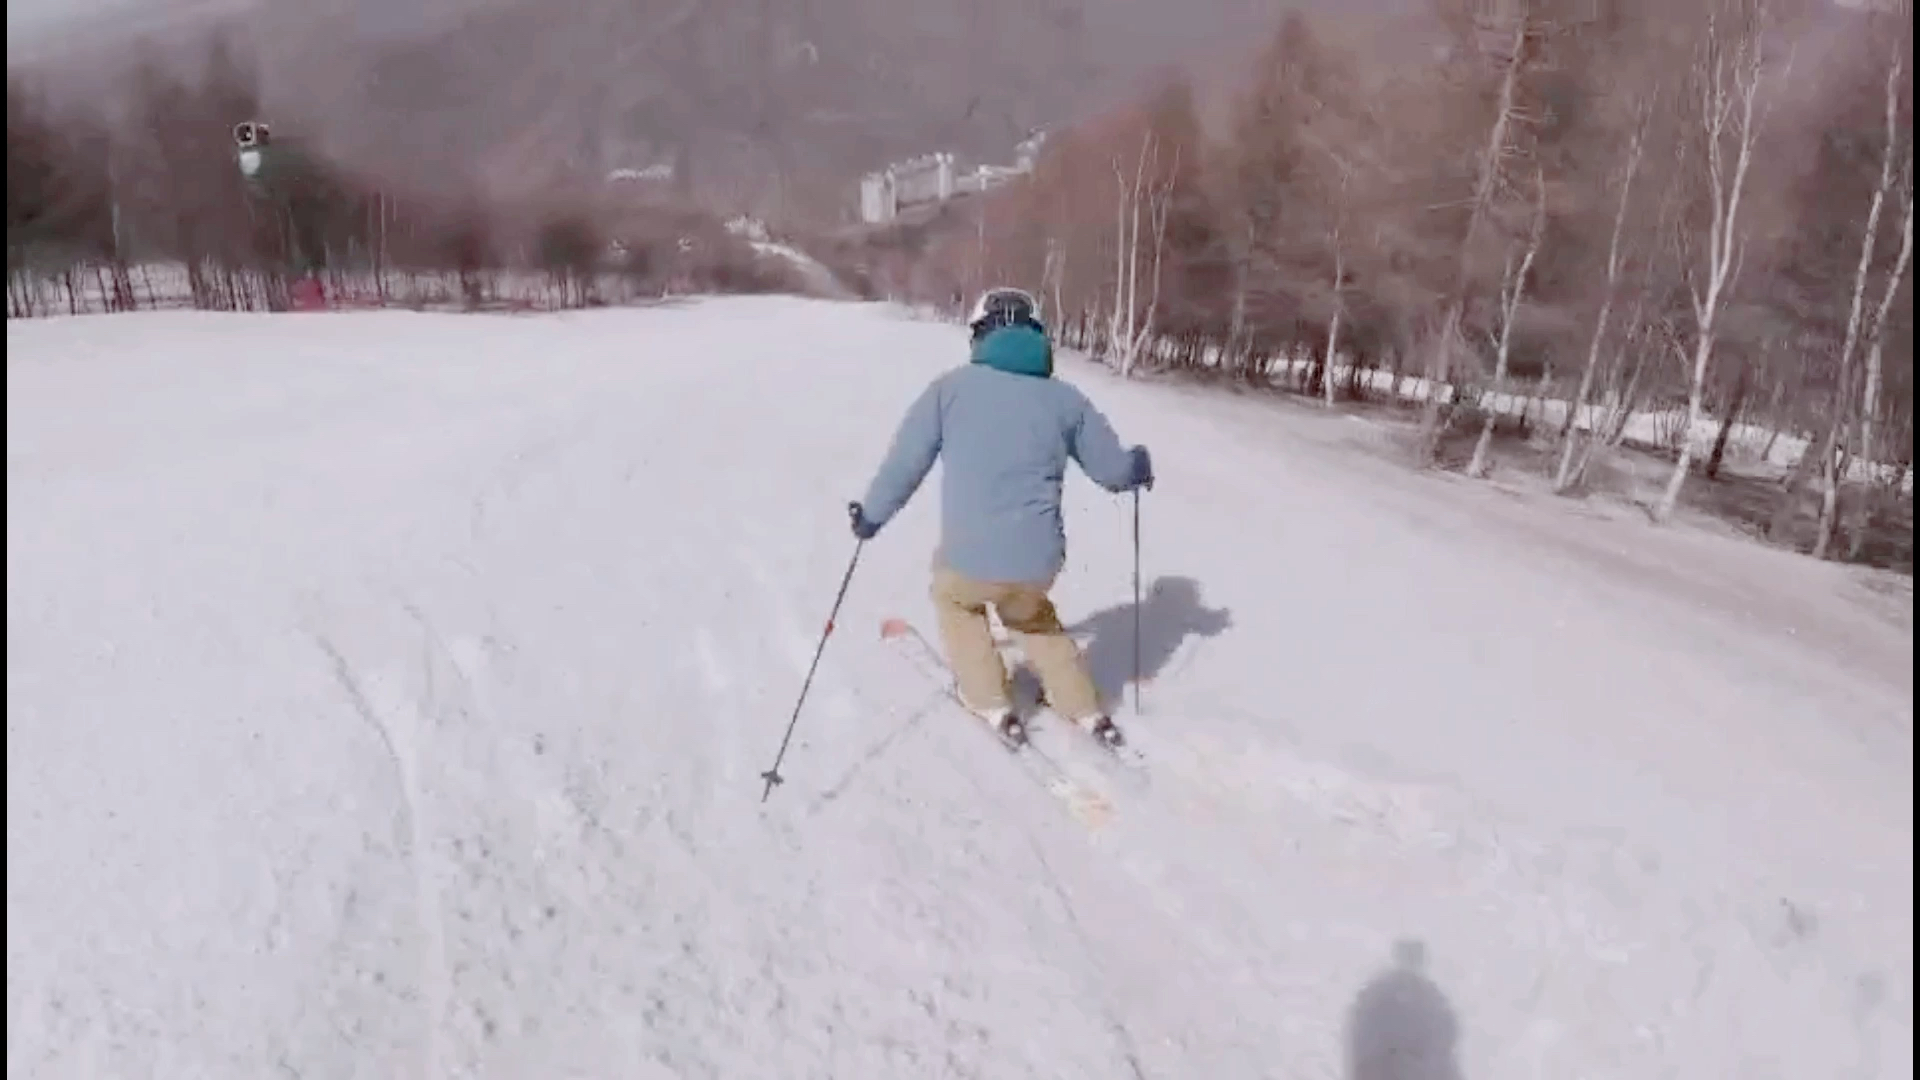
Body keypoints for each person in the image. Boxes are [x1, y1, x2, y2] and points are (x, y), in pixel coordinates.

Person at [848, 287, 1153, 747]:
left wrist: (871, 516)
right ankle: (1083, 707)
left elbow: (904, 464)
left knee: (956, 603)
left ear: (979, 335)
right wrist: (1136, 466)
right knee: (1032, 619)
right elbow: (1114, 472)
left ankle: (989, 698)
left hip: (968, 559)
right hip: (1038, 563)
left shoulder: (949, 390)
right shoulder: (1066, 400)